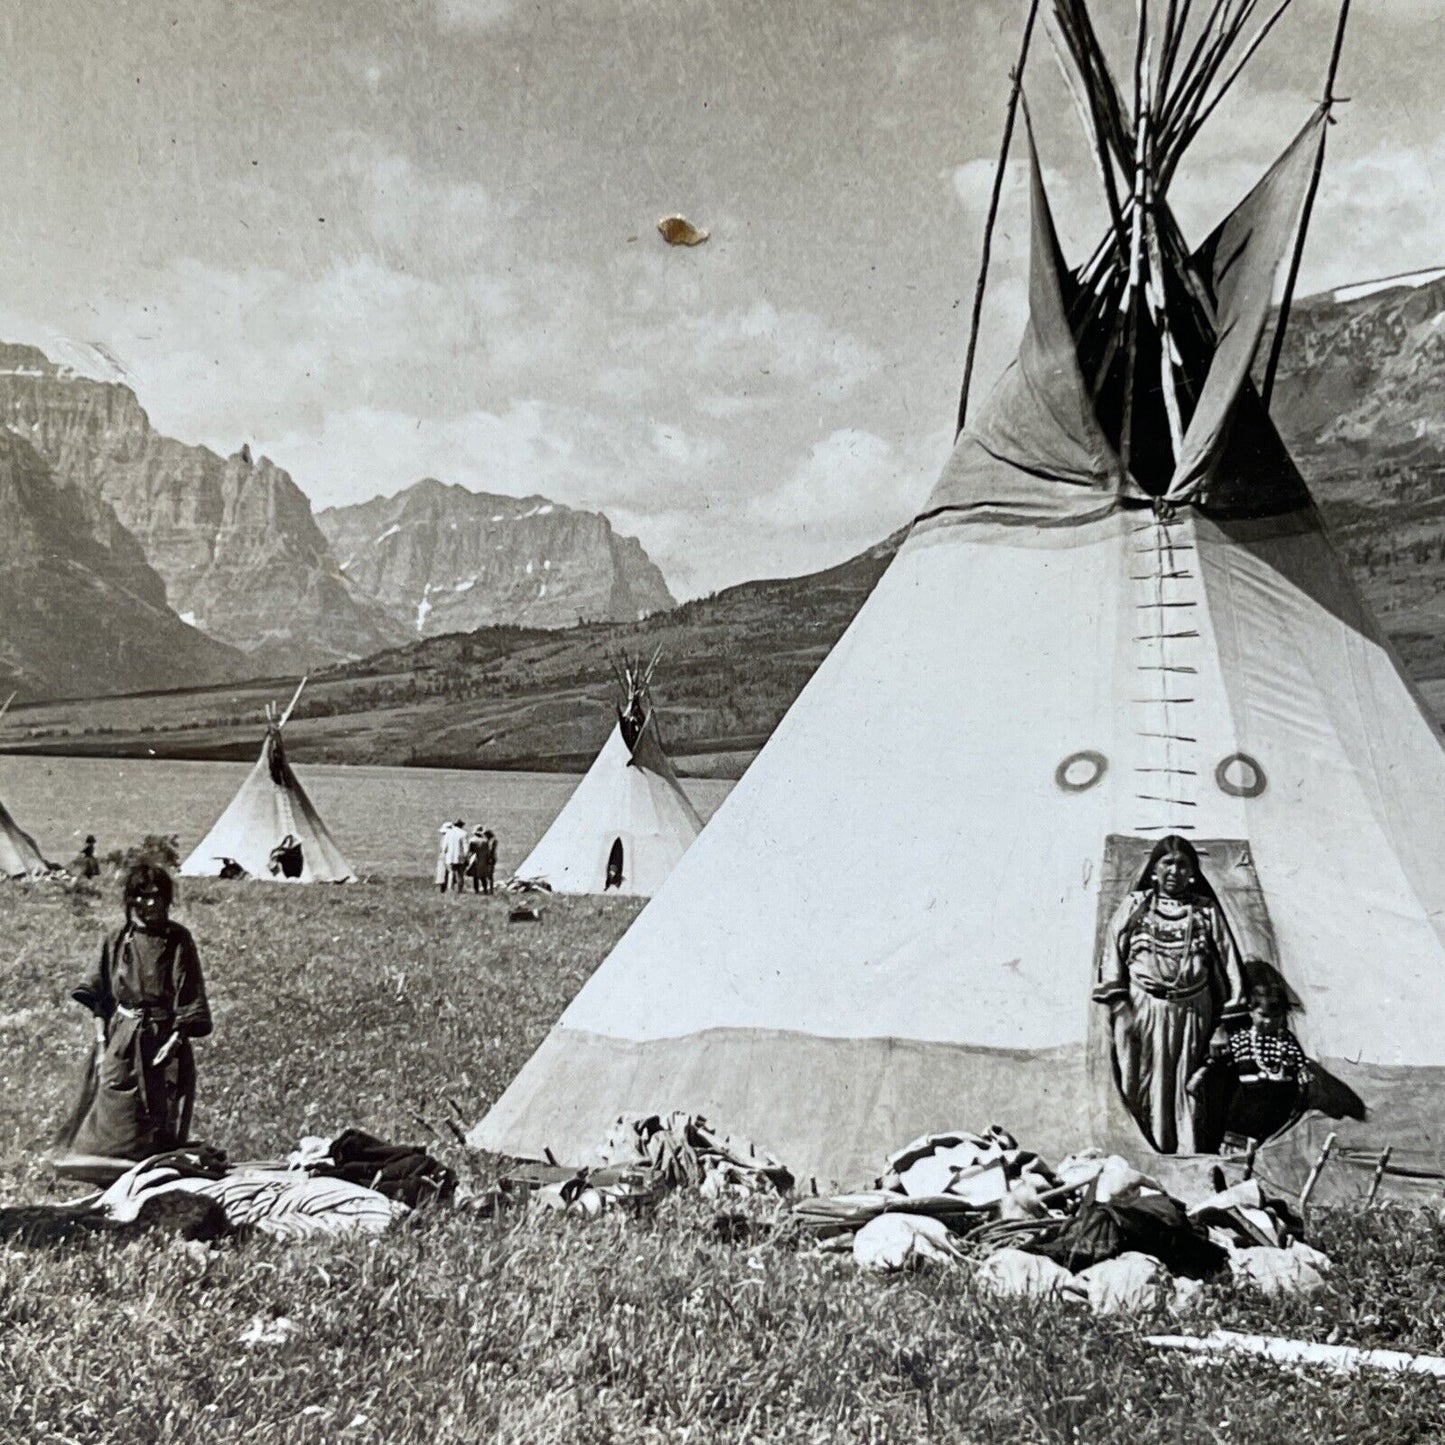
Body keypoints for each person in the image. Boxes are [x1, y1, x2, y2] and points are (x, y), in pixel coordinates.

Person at [1093, 836, 1246, 1154]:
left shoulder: (1205, 911)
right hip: (1140, 1008)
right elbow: (1112, 955)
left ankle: (1181, 1157)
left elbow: (1229, 964)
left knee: (1183, 1086)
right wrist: (1121, 1007)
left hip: (1191, 1011)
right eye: (1167, 863)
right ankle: (1139, 1155)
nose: (1174, 871)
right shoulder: (1135, 906)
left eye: (1182, 865)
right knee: (1136, 1084)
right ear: (1154, 870)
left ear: (1192, 872)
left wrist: (1222, 1025)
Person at [57, 861, 212, 1161]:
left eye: (157, 896)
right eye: (142, 895)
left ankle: (151, 1172)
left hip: (164, 1038)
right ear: (131, 899)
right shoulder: (116, 939)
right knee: (113, 1108)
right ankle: (108, 1170)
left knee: (160, 1115)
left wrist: (175, 1041)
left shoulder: (179, 939)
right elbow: (99, 997)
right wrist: (102, 1045)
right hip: (123, 1038)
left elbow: (189, 994)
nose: (150, 903)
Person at [1187, 976, 1311, 1146]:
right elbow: (1216, 1061)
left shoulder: (1287, 1041)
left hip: (1273, 1117)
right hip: (1242, 1117)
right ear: (1251, 1012)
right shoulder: (1241, 1039)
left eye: (1276, 1017)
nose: (1269, 1022)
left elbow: (1298, 1065)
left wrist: (1302, 1073)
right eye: (1263, 1015)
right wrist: (1199, 1076)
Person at [443, 820, 468, 895]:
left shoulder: (448, 833)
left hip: (450, 857)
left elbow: (444, 847)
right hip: (460, 857)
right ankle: (460, 890)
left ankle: (450, 889)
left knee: (451, 873)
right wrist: (466, 857)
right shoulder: (464, 834)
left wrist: (445, 854)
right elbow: (466, 848)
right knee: (460, 875)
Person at [467, 826, 488, 894]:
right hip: (483, 859)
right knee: (483, 876)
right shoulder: (485, 841)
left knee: (475, 876)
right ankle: (485, 889)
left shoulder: (472, 840)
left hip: (475, 858)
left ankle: (476, 890)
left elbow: (470, 851)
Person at [481, 829, 498, 895]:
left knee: (489, 875)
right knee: (489, 875)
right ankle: (490, 889)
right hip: (490, 859)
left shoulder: (491, 841)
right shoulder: (492, 840)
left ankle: (490, 890)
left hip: (490, 859)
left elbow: (490, 850)